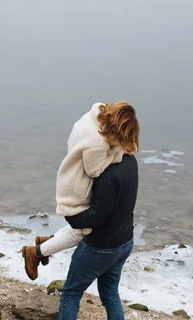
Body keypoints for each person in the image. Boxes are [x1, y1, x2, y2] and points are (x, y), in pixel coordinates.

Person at [20, 102, 140, 280]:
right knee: (84, 231)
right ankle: (36, 252)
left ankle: (46, 242)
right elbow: (95, 170)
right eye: (122, 137)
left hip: (71, 179)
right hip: (76, 192)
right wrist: (119, 153)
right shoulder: (96, 144)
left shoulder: (95, 116)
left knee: (83, 227)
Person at [59, 152, 139, 319]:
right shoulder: (130, 161)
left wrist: (69, 215)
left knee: (71, 293)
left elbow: (95, 218)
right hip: (125, 242)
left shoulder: (108, 173)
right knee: (110, 293)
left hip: (100, 247)